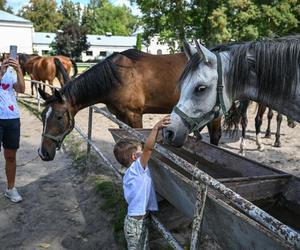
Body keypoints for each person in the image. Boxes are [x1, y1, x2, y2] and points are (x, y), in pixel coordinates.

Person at [113, 115, 171, 250]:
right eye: (140, 151)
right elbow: (149, 149)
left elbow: (146, 150)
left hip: (138, 221)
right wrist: (156, 128)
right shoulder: (137, 169)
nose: (143, 152)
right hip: (135, 225)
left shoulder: (130, 171)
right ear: (134, 157)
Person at [0, 54, 25, 202]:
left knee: (10, 157)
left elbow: (21, 89)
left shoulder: (11, 72)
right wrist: (1, 73)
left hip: (12, 118)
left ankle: (10, 188)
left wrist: (19, 70)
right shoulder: (3, 71)